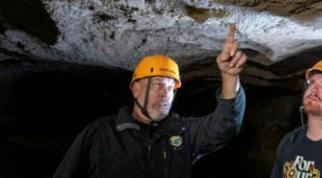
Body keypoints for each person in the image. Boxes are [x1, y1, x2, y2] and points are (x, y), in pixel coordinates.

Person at [53, 24, 246, 178]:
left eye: (171, 88)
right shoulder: (101, 133)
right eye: (157, 85)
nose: (165, 94)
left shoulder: (182, 133)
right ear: (135, 89)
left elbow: (225, 126)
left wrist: (229, 77)